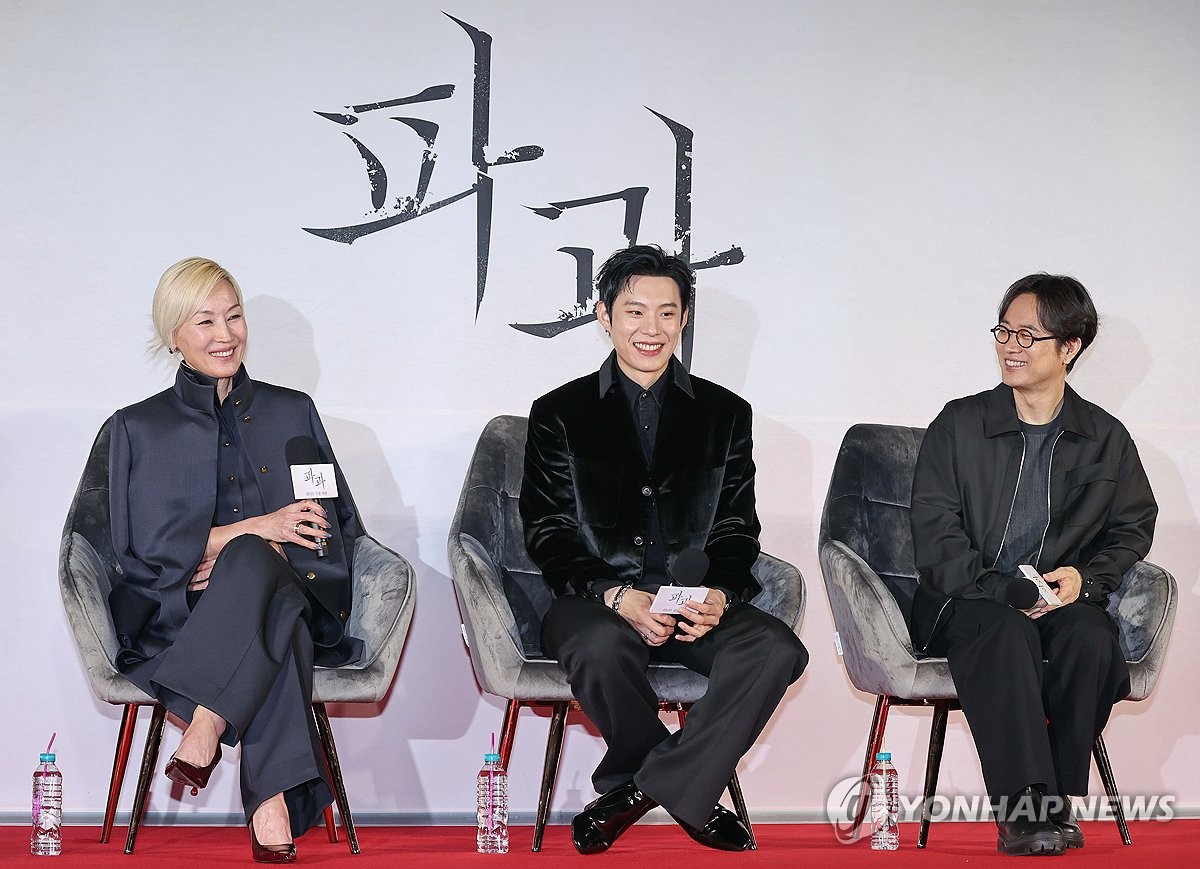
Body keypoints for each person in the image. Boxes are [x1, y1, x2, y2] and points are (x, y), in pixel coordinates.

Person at [519, 244, 808, 854]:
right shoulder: (559, 412)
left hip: (691, 601)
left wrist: (720, 594)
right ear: (604, 316)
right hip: (595, 600)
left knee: (777, 649)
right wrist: (615, 594)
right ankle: (689, 788)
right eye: (634, 311)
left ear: (684, 319)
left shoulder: (726, 413)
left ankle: (637, 791)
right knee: (598, 647)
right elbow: (548, 531)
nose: (651, 328)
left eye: (667, 313)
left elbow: (736, 528)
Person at [107, 257, 366, 863]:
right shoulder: (138, 427)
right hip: (188, 610)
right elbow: (140, 549)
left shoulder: (292, 411)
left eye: (234, 316)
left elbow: (327, 523)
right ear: (174, 335)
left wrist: (249, 547)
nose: (225, 335)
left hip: (296, 589)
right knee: (276, 614)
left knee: (265, 577)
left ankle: (206, 721)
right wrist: (256, 532)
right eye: (205, 321)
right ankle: (269, 801)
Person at [909, 274, 1157, 856]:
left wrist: (1086, 581)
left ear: (1069, 347)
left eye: (1028, 335)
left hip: (1056, 600)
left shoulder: (1105, 438)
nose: (1011, 347)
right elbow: (936, 536)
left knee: (1092, 639)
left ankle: (1055, 799)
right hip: (964, 600)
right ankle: (1023, 806)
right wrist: (1005, 591)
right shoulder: (959, 424)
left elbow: (1132, 525)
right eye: (1004, 331)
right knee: (1005, 630)